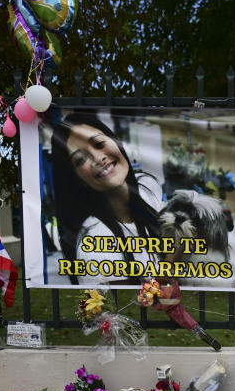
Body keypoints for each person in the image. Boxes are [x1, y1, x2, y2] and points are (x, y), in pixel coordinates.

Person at [50, 112, 164, 284]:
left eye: (99, 143)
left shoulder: (149, 185)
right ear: (77, 178)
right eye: (81, 160)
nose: (98, 158)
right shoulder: (95, 241)